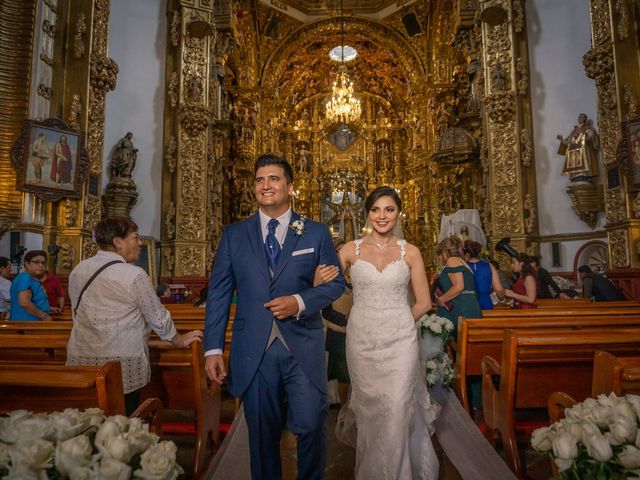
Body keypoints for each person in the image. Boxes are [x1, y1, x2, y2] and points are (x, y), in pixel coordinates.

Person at [204, 154, 345, 480]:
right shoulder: (234, 235)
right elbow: (219, 294)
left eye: (274, 179)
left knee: (310, 425)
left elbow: (337, 283)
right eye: (260, 180)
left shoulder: (315, 232)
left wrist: (300, 301)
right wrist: (213, 348)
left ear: (290, 187)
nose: (266, 185)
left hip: (303, 345)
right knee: (262, 435)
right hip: (254, 348)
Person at [337, 186, 439, 479]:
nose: (382, 216)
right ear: (367, 213)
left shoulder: (411, 252)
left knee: (396, 407)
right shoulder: (349, 250)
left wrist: (398, 322)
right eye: (376, 210)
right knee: (371, 412)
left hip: (400, 341)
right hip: (362, 341)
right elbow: (325, 284)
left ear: (398, 213)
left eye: (389, 209)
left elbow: (424, 302)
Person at [66, 217, 202, 415]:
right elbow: (157, 316)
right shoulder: (134, 274)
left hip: (82, 357)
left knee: (88, 421)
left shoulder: (78, 271)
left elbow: (77, 313)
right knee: (120, 423)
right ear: (117, 241)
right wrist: (179, 340)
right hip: (121, 363)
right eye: (135, 237)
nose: (139, 243)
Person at [319, 240, 351, 406]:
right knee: (343, 375)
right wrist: (345, 319)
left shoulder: (358, 276)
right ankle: (344, 409)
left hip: (359, 334)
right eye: (339, 251)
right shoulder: (331, 280)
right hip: (339, 334)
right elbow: (326, 311)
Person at [434, 235, 482, 332]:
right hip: (469, 305)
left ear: (444, 252)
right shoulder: (462, 261)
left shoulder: (452, 260)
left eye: (439, 255)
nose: (439, 259)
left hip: (460, 307)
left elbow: (459, 287)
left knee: (456, 341)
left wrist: (441, 300)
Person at [9, 250, 52, 321]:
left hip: (31, 324)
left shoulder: (31, 278)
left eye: (43, 263)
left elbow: (33, 301)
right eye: (36, 262)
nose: (41, 265)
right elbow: (24, 302)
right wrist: (44, 316)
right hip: (26, 325)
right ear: (27, 264)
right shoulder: (25, 277)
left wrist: (47, 308)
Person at [463, 240, 504, 310]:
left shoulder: (462, 266)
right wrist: (502, 298)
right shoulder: (489, 266)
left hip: (467, 303)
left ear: (466, 253)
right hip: (485, 303)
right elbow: (499, 290)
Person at [557, 113, 599, 180]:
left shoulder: (588, 128)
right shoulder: (574, 131)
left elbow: (590, 137)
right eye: (579, 117)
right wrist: (561, 139)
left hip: (583, 150)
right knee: (575, 162)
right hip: (574, 153)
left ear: (585, 119)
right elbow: (568, 142)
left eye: (582, 117)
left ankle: (584, 175)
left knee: (585, 162)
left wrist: (584, 135)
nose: (580, 118)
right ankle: (575, 176)